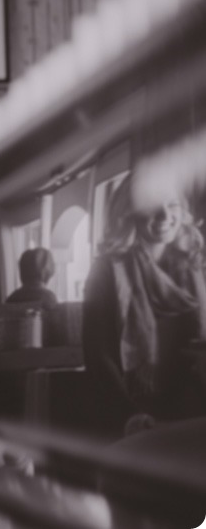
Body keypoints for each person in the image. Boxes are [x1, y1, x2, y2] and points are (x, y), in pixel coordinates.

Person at [83, 177, 206, 439]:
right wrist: (129, 415)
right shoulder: (105, 270)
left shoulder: (196, 266)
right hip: (131, 420)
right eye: (151, 205)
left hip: (192, 414)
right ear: (128, 213)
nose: (164, 215)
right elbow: (98, 355)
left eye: (172, 204)